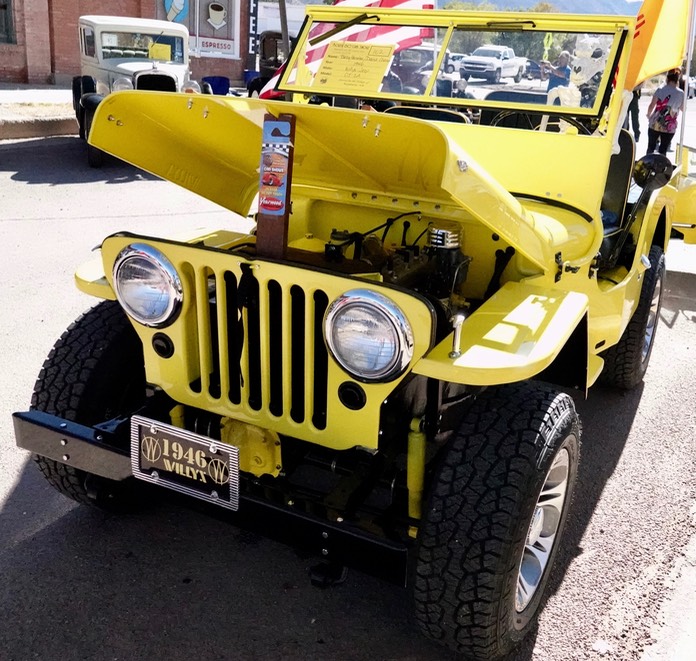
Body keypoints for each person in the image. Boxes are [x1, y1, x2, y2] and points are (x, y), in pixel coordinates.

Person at [646, 69, 684, 156]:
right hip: (670, 126)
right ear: (677, 80)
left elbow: (652, 105)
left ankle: (646, 166)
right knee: (663, 150)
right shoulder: (681, 93)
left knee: (651, 147)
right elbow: (683, 109)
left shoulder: (660, 89)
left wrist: (648, 115)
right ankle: (660, 167)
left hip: (655, 123)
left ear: (667, 78)